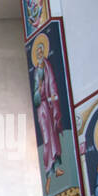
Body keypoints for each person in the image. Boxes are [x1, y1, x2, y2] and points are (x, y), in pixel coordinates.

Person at [31, 40, 64, 186]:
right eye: (37, 52)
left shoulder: (47, 67)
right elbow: (36, 96)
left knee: (53, 137)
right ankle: (48, 169)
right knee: (45, 138)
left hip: (49, 107)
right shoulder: (36, 74)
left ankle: (56, 167)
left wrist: (52, 98)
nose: (39, 54)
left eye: (40, 51)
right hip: (42, 110)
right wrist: (39, 90)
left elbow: (52, 84)